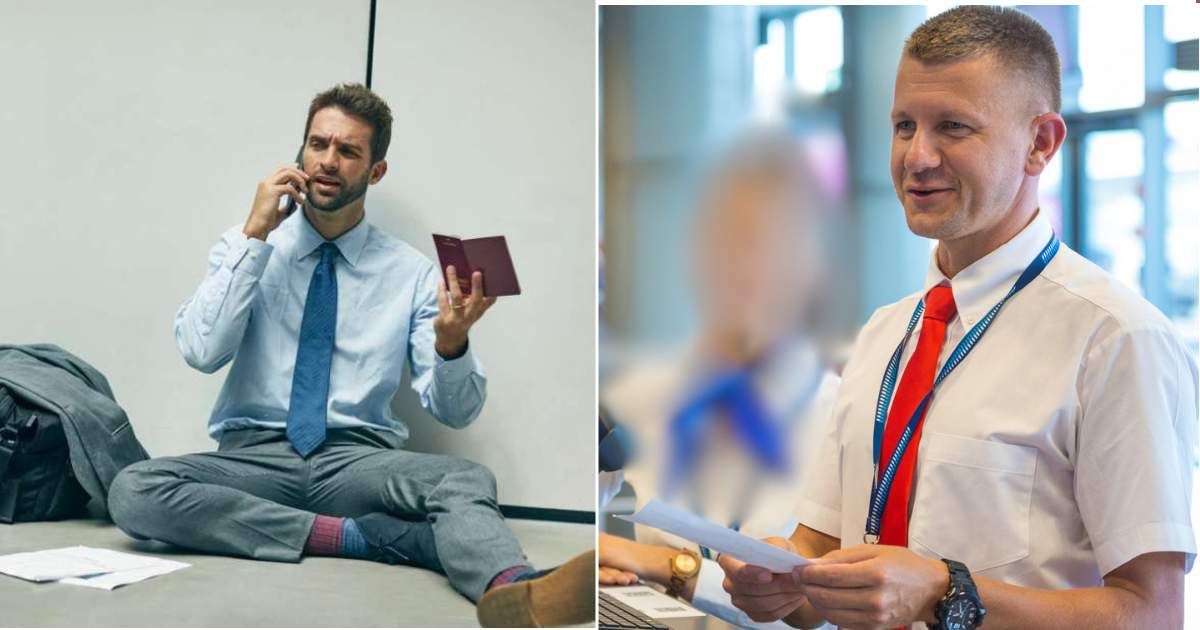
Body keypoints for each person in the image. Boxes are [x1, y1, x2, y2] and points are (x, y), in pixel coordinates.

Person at [719, 7, 1197, 629]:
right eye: (903, 125)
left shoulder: (1114, 339)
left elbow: (1151, 615)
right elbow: (819, 558)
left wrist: (948, 590)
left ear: (1040, 143)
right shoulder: (886, 333)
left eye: (952, 127)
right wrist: (779, 582)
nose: (917, 157)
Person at [106, 83, 593, 628]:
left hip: (356, 462)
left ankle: (514, 588)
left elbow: (455, 412)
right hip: (254, 456)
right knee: (135, 490)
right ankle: (361, 538)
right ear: (300, 151)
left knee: (466, 477)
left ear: (375, 171)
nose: (327, 162)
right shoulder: (247, 245)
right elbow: (200, 351)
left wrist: (452, 344)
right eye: (318, 145)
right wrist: (254, 235)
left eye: (348, 151)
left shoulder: (409, 272)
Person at [599, 130, 840, 629]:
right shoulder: (647, 395)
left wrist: (673, 568)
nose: (747, 268)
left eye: (774, 244)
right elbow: (583, 527)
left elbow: (818, 613)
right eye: (728, 241)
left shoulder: (845, 416)